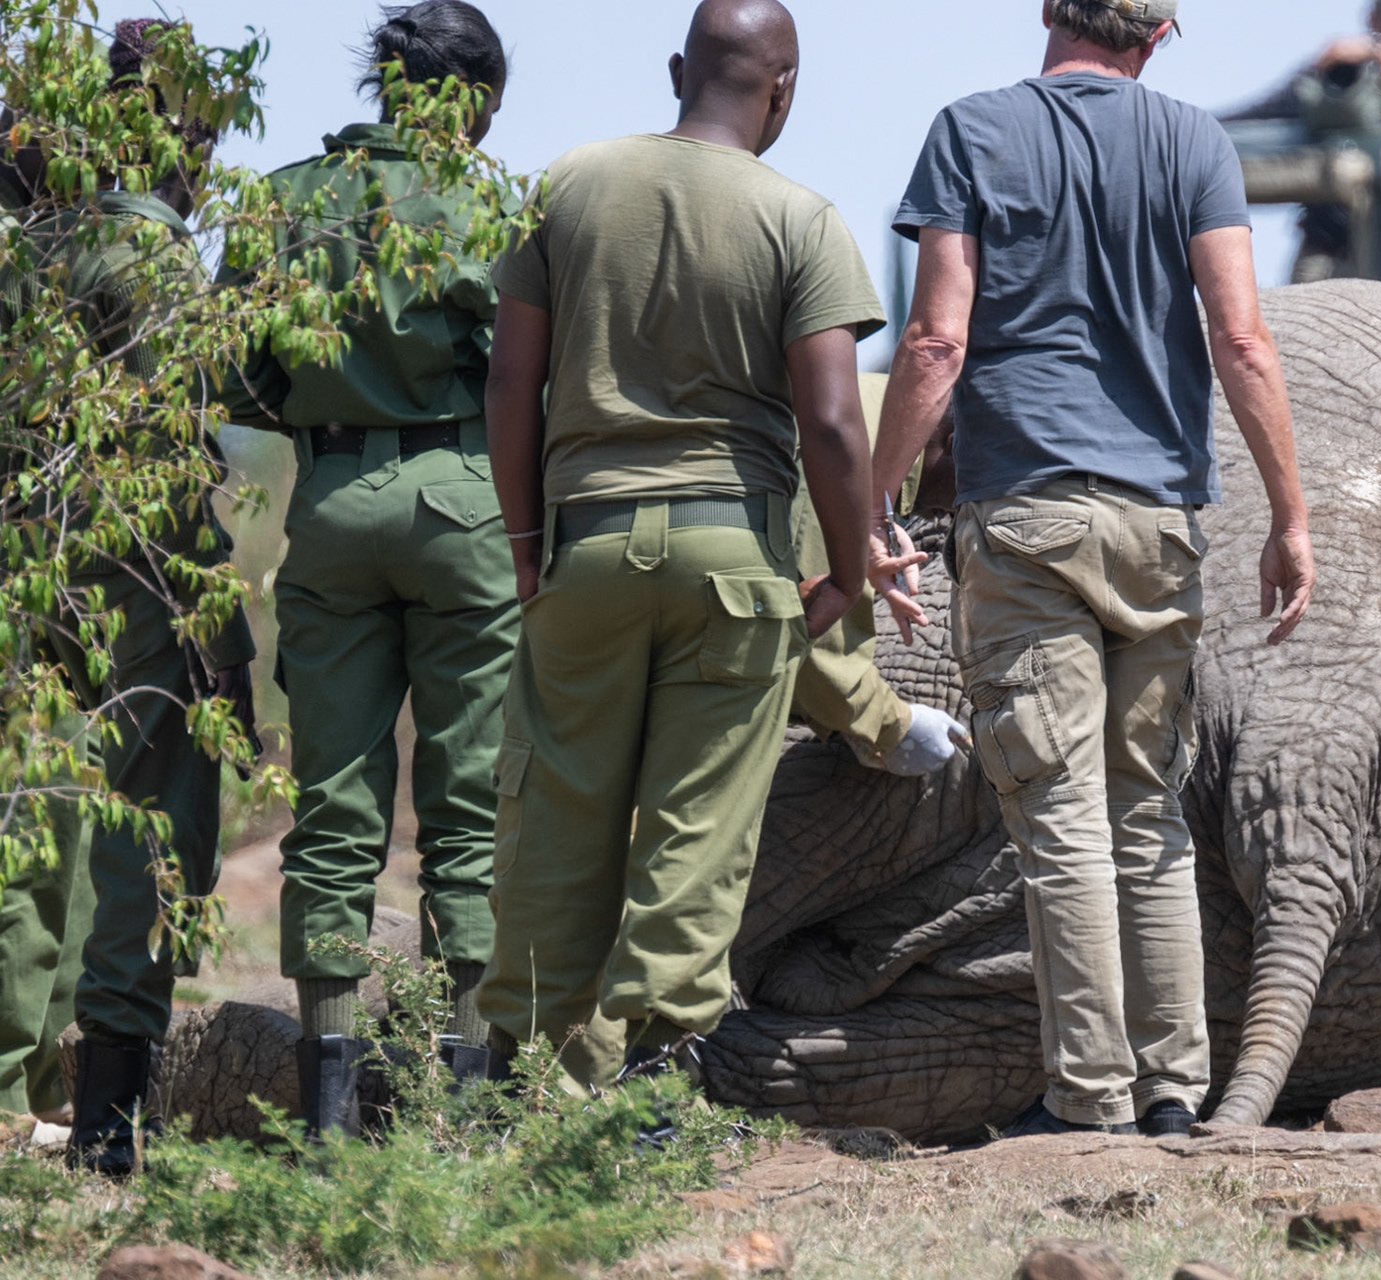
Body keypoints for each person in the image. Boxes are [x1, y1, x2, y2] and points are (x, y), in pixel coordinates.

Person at [871, 0, 1315, 1139]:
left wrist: (875, 496)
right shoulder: (1197, 144)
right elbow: (1245, 339)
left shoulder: (973, 130)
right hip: (1159, 523)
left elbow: (934, 341)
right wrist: (1290, 516)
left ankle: (1088, 1097)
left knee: (1058, 815)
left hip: (1022, 518)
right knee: (1149, 810)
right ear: (1158, 35)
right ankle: (1173, 1089)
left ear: (1047, 15)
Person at [476, 0, 879, 1134]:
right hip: (734, 560)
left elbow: (510, 383)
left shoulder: (567, 182)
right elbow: (836, 425)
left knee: (557, 808)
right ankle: (655, 1101)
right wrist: (843, 569)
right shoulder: (802, 217)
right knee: (698, 827)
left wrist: (524, 547)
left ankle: (513, 1083)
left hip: (585, 546)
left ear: (677, 70)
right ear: (784, 90)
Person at [219, 0, 514, 1137]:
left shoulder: (280, 201)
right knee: (468, 806)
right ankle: (466, 1102)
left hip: (329, 502)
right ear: (473, 99)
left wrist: (324, 413)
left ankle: (332, 1117)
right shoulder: (492, 203)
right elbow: (522, 369)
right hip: (464, 502)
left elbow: (236, 376)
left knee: (335, 810)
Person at [27, 20, 257, 1176]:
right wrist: (214, 626)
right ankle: (108, 1123)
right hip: (136, 581)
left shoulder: (37, 246)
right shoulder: (155, 257)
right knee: (153, 837)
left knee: (34, 821)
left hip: (35, 566)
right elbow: (159, 473)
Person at [0, 103, 98, 1135]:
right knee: (42, 832)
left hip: (62, 583)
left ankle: (42, 1088)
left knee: (63, 834)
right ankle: (16, 1090)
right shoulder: (58, 271)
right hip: (44, 582)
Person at [792, 373, 964, 776]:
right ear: (957, 443)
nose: (946, 513)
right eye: (962, 497)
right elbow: (811, 635)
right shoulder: (846, 449)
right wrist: (892, 728)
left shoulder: (859, 396)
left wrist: (877, 521)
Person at [1227, 0, 1381, 283]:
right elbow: (1261, 113)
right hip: (1325, 252)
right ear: (1373, 20)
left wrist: (1377, 53)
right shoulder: (1334, 72)